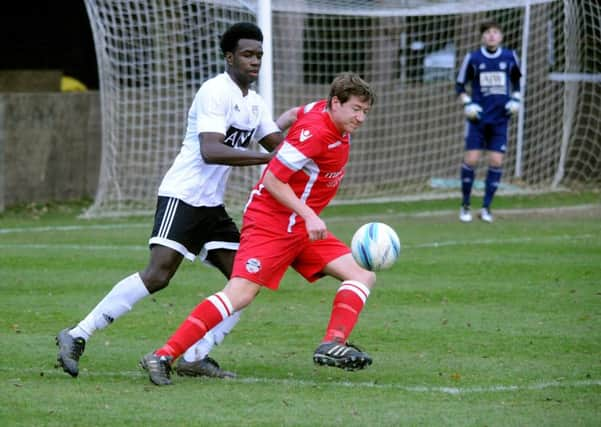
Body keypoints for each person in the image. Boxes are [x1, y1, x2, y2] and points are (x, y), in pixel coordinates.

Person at [56, 22, 298, 379]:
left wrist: (314, 132)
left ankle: (196, 355)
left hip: (211, 206)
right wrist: (268, 159)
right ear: (229, 57)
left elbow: (278, 145)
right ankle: (77, 334)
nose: (255, 61)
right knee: (158, 275)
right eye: (247, 54)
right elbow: (211, 149)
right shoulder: (214, 91)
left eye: (259, 55)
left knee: (244, 279)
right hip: (182, 195)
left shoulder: (255, 103)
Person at [140, 72, 378, 386]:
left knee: (362, 275)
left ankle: (332, 344)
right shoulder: (316, 133)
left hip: (300, 228)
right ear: (336, 103)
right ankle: (163, 355)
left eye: (365, 111)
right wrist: (309, 214)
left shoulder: (319, 110)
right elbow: (272, 180)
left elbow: (293, 114)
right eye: (356, 109)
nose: (360, 118)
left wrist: (279, 127)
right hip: (271, 224)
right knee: (239, 294)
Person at [456, 20, 522, 223]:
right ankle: (465, 205)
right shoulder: (473, 58)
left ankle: (486, 208)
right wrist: (468, 103)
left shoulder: (510, 57)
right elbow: (459, 85)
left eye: (495, 32)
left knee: (496, 161)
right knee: (472, 160)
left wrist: (516, 99)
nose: (492, 35)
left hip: (500, 120)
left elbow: (518, 82)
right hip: (478, 119)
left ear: (501, 36)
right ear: (482, 36)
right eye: (488, 32)